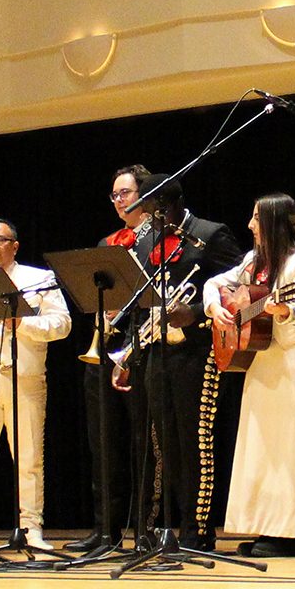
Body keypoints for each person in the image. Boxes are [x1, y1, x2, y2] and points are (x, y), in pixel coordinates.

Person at [113, 174, 242, 551]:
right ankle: (167, 525)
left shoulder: (211, 233)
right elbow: (143, 301)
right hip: (157, 351)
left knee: (194, 441)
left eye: (160, 212)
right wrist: (128, 354)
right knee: (163, 442)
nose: (155, 220)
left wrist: (198, 311)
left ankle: (197, 529)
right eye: (151, 214)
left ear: (175, 204)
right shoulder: (150, 238)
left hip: (198, 350)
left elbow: (241, 288)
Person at [204, 194, 295, 558]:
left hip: (290, 360)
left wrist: (283, 308)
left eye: (256, 217)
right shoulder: (253, 261)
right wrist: (216, 310)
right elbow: (214, 284)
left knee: (288, 449)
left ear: (273, 220)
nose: (250, 224)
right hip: (260, 360)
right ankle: (268, 529)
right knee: (259, 449)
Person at [65, 165, 156, 551]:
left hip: (143, 347)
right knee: (103, 443)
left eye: (125, 193)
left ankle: (146, 529)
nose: (119, 201)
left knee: (142, 443)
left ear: (146, 193)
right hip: (104, 350)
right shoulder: (107, 244)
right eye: (115, 195)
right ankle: (107, 530)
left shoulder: (160, 240)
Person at [0, 219, 71, 551]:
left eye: (0, 240)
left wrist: (23, 323)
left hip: (22, 377)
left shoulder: (38, 278)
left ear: (15, 245)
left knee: (28, 457)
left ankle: (31, 527)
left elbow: (62, 324)